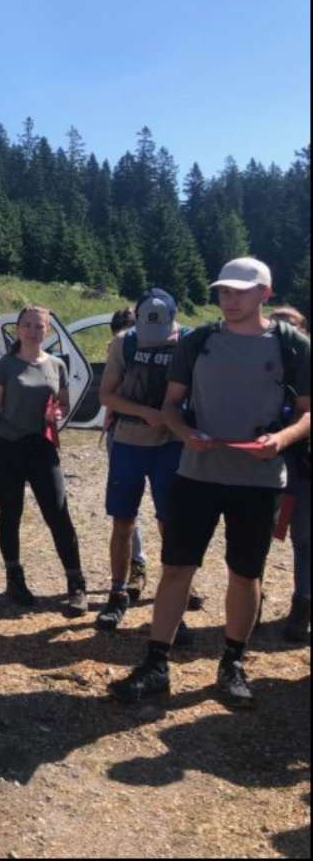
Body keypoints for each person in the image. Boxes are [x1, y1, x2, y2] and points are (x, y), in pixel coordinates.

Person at [110, 258, 310, 708]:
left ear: (266, 292)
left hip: (258, 480)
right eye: (223, 290)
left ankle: (233, 663)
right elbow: (170, 407)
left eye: (240, 291)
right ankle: (156, 663)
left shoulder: (293, 345)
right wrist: (184, 434)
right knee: (177, 568)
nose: (229, 298)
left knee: (245, 572)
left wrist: (280, 440)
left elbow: (307, 414)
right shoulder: (198, 341)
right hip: (196, 474)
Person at [0, 305, 88, 616]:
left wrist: (57, 412)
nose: (33, 331)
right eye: (27, 325)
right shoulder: (4, 367)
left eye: (39, 326)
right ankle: (15, 578)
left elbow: (62, 405)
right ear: (18, 329)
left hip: (43, 448)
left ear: (48, 330)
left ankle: (76, 584)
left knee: (58, 514)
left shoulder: (57, 365)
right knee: (10, 514)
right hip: (8, 448)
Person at [96, 289, 194, 632]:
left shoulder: (189, 341)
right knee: (123, 522)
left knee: (172, 523)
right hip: (129, 442)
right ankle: (118, 593)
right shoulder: (125, 343)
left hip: (171, 447)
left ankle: (173, 603)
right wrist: (146, 412)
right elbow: (106, 394)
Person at [268, 305, 311, 642]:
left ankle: (302, 605)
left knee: (304, 538)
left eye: (292, 328)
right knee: (255, 534)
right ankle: (250, 601)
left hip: (303, 464)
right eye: (277, 326)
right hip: (262, 463)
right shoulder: (256, 366)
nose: (285, 335)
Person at [105, 306, 149, 594]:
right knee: (126, 512)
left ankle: (182, 575)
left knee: (170, 512)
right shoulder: (118, 349)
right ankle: (136, 565)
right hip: (123, 433)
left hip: (161, 434)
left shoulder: (166, 347)